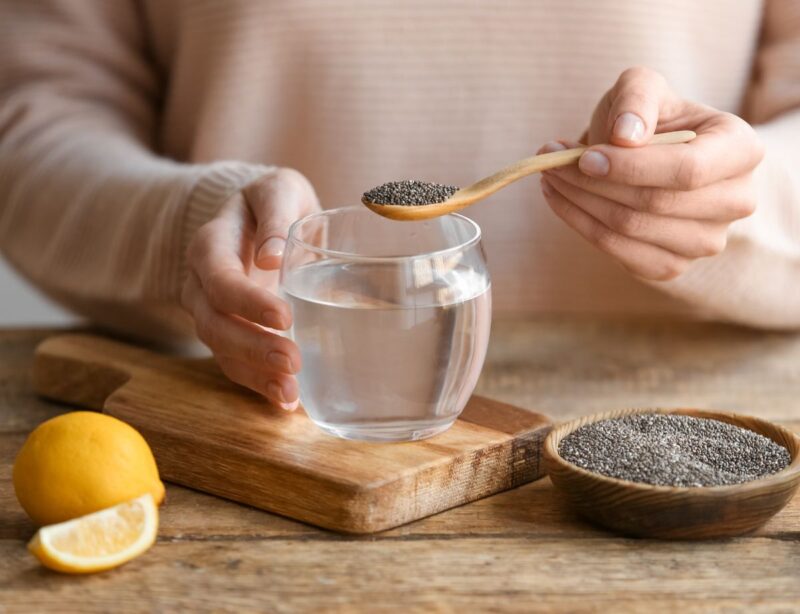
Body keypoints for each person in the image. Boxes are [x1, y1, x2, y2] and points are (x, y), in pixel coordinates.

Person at [0, 1, 798, 411]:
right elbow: (37, 119)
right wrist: (180, 223)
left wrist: (738, 198)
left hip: (697, 432)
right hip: (253, 427)